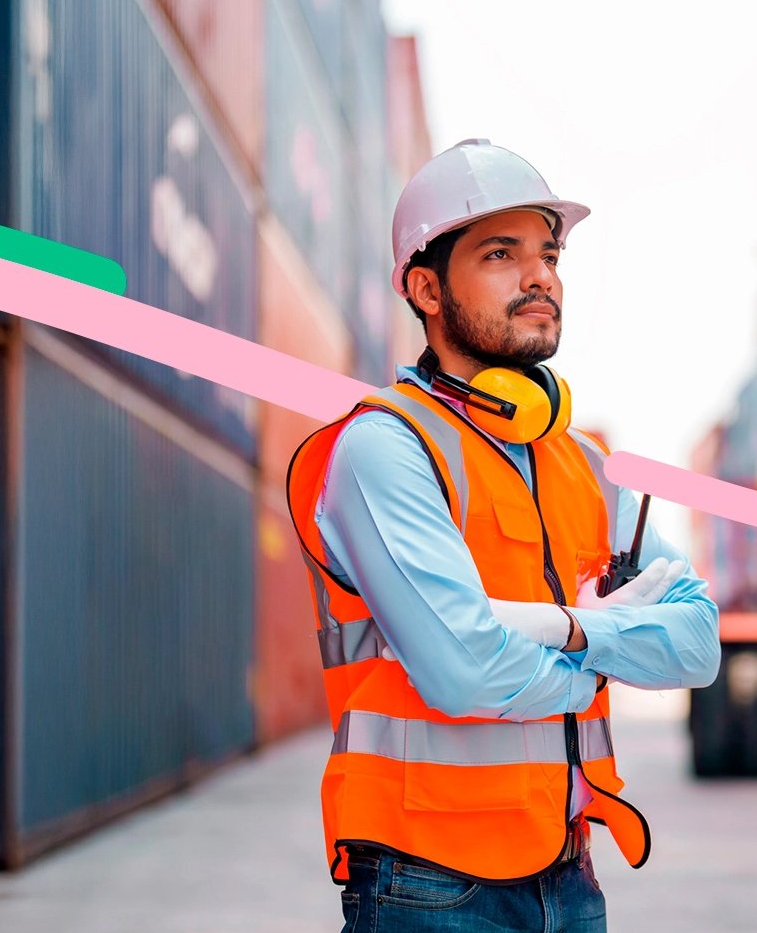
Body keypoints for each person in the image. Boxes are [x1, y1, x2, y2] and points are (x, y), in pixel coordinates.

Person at [286, 138, 720, 933]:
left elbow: (697, 645)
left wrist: (561, 627)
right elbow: (463, 674)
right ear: (424, 288)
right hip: (428, 886)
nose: (539, 277)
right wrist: (607, 656)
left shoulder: (584, 464)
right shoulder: (385, 448)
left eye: (548, 254)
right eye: (499, 254)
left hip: (568, 872)